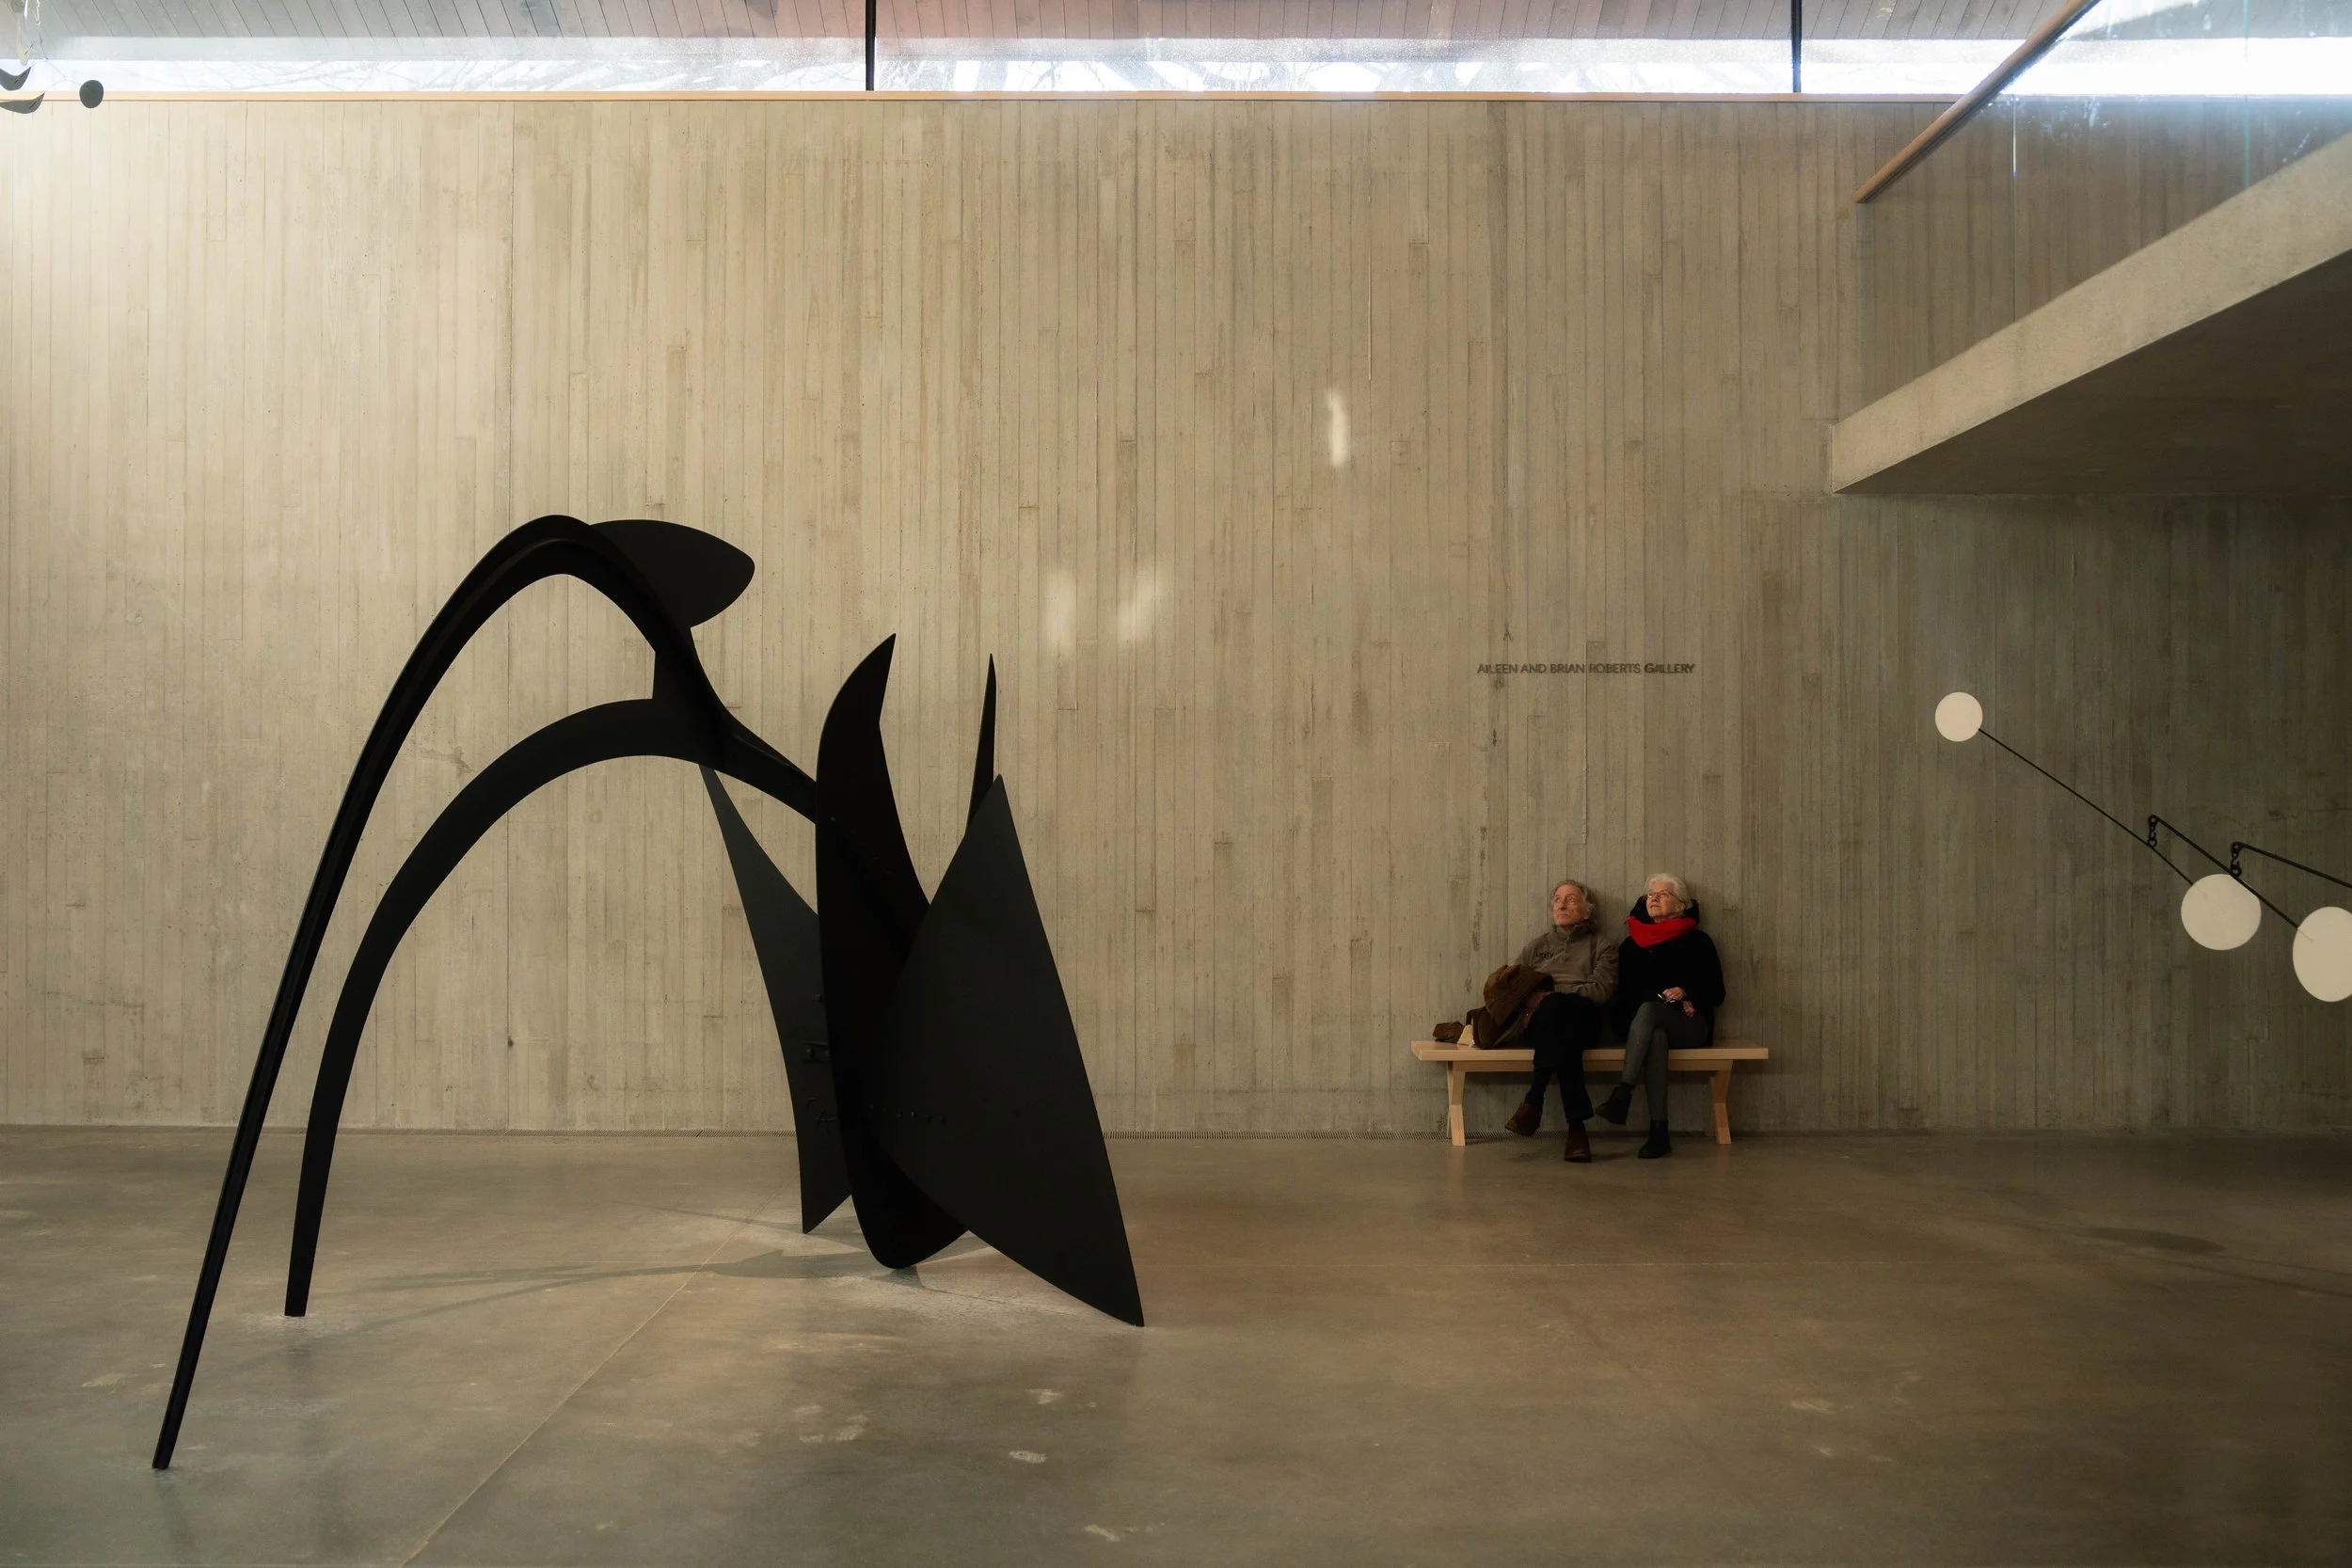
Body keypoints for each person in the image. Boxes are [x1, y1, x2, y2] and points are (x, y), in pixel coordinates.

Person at [1597, 874, 1725, 1159]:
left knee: (1649, 1013)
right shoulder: (1631, 946)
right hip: (1644, 1025)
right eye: (1650, 894)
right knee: (1654, 1032)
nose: (1653, 898)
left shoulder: (1699, 942)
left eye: (1662, 894)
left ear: (1680, 906)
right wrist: (1660, 998)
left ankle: (1623, 1094)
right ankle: (1659, 1133)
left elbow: (1717, 992)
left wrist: (1688, 993)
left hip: (1691, 1025)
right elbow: (1625, 994)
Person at [1502, 880, 1617, 1163]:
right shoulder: (1536, 947)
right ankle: (1576, 1129)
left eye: (1571, 899)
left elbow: (1601, 991)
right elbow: (1512, 989)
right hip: (1542, 1025)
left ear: (1588, 911)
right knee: (1559, 1025)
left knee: (1558, 1009)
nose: (1562, 904)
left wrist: (1551, 997)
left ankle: (1534, 1098)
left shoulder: (1602, 946)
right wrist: (1547, 1002)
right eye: (1557, 899)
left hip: (1585, 1020)